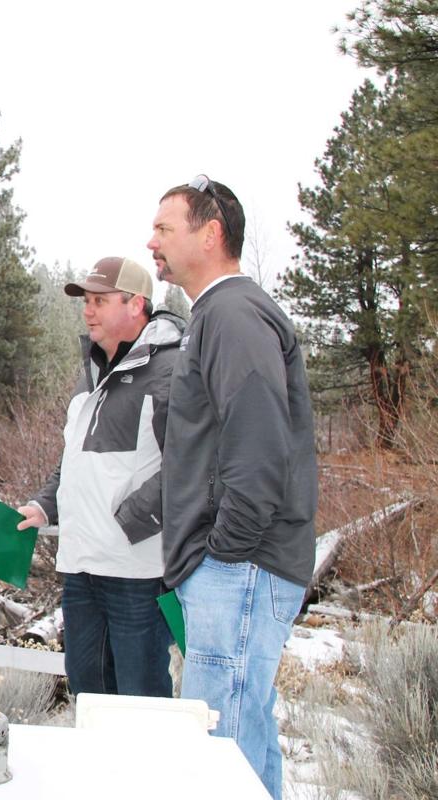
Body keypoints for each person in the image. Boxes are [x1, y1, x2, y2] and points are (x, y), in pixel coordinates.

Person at [147, 176, 316, 800]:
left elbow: (259, 441)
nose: (152, 241)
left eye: (165, 228)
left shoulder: (234, 314)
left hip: (241, 565)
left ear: (210, 233)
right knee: (244, 733)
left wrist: (223, 551)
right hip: (232, 567)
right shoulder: (214, 315)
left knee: (222, 746)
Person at [17, 256, 184, 699]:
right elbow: (76, 458)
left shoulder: (172, 369)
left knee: (139, 699)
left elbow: (192, 467)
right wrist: (43, 505)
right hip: (80, 567)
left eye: (99, 301)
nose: (88, 311)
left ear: (137, 305)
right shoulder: (90, 371)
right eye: (86, 302)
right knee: (88, 690)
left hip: (138, 573)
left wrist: (130, 520)